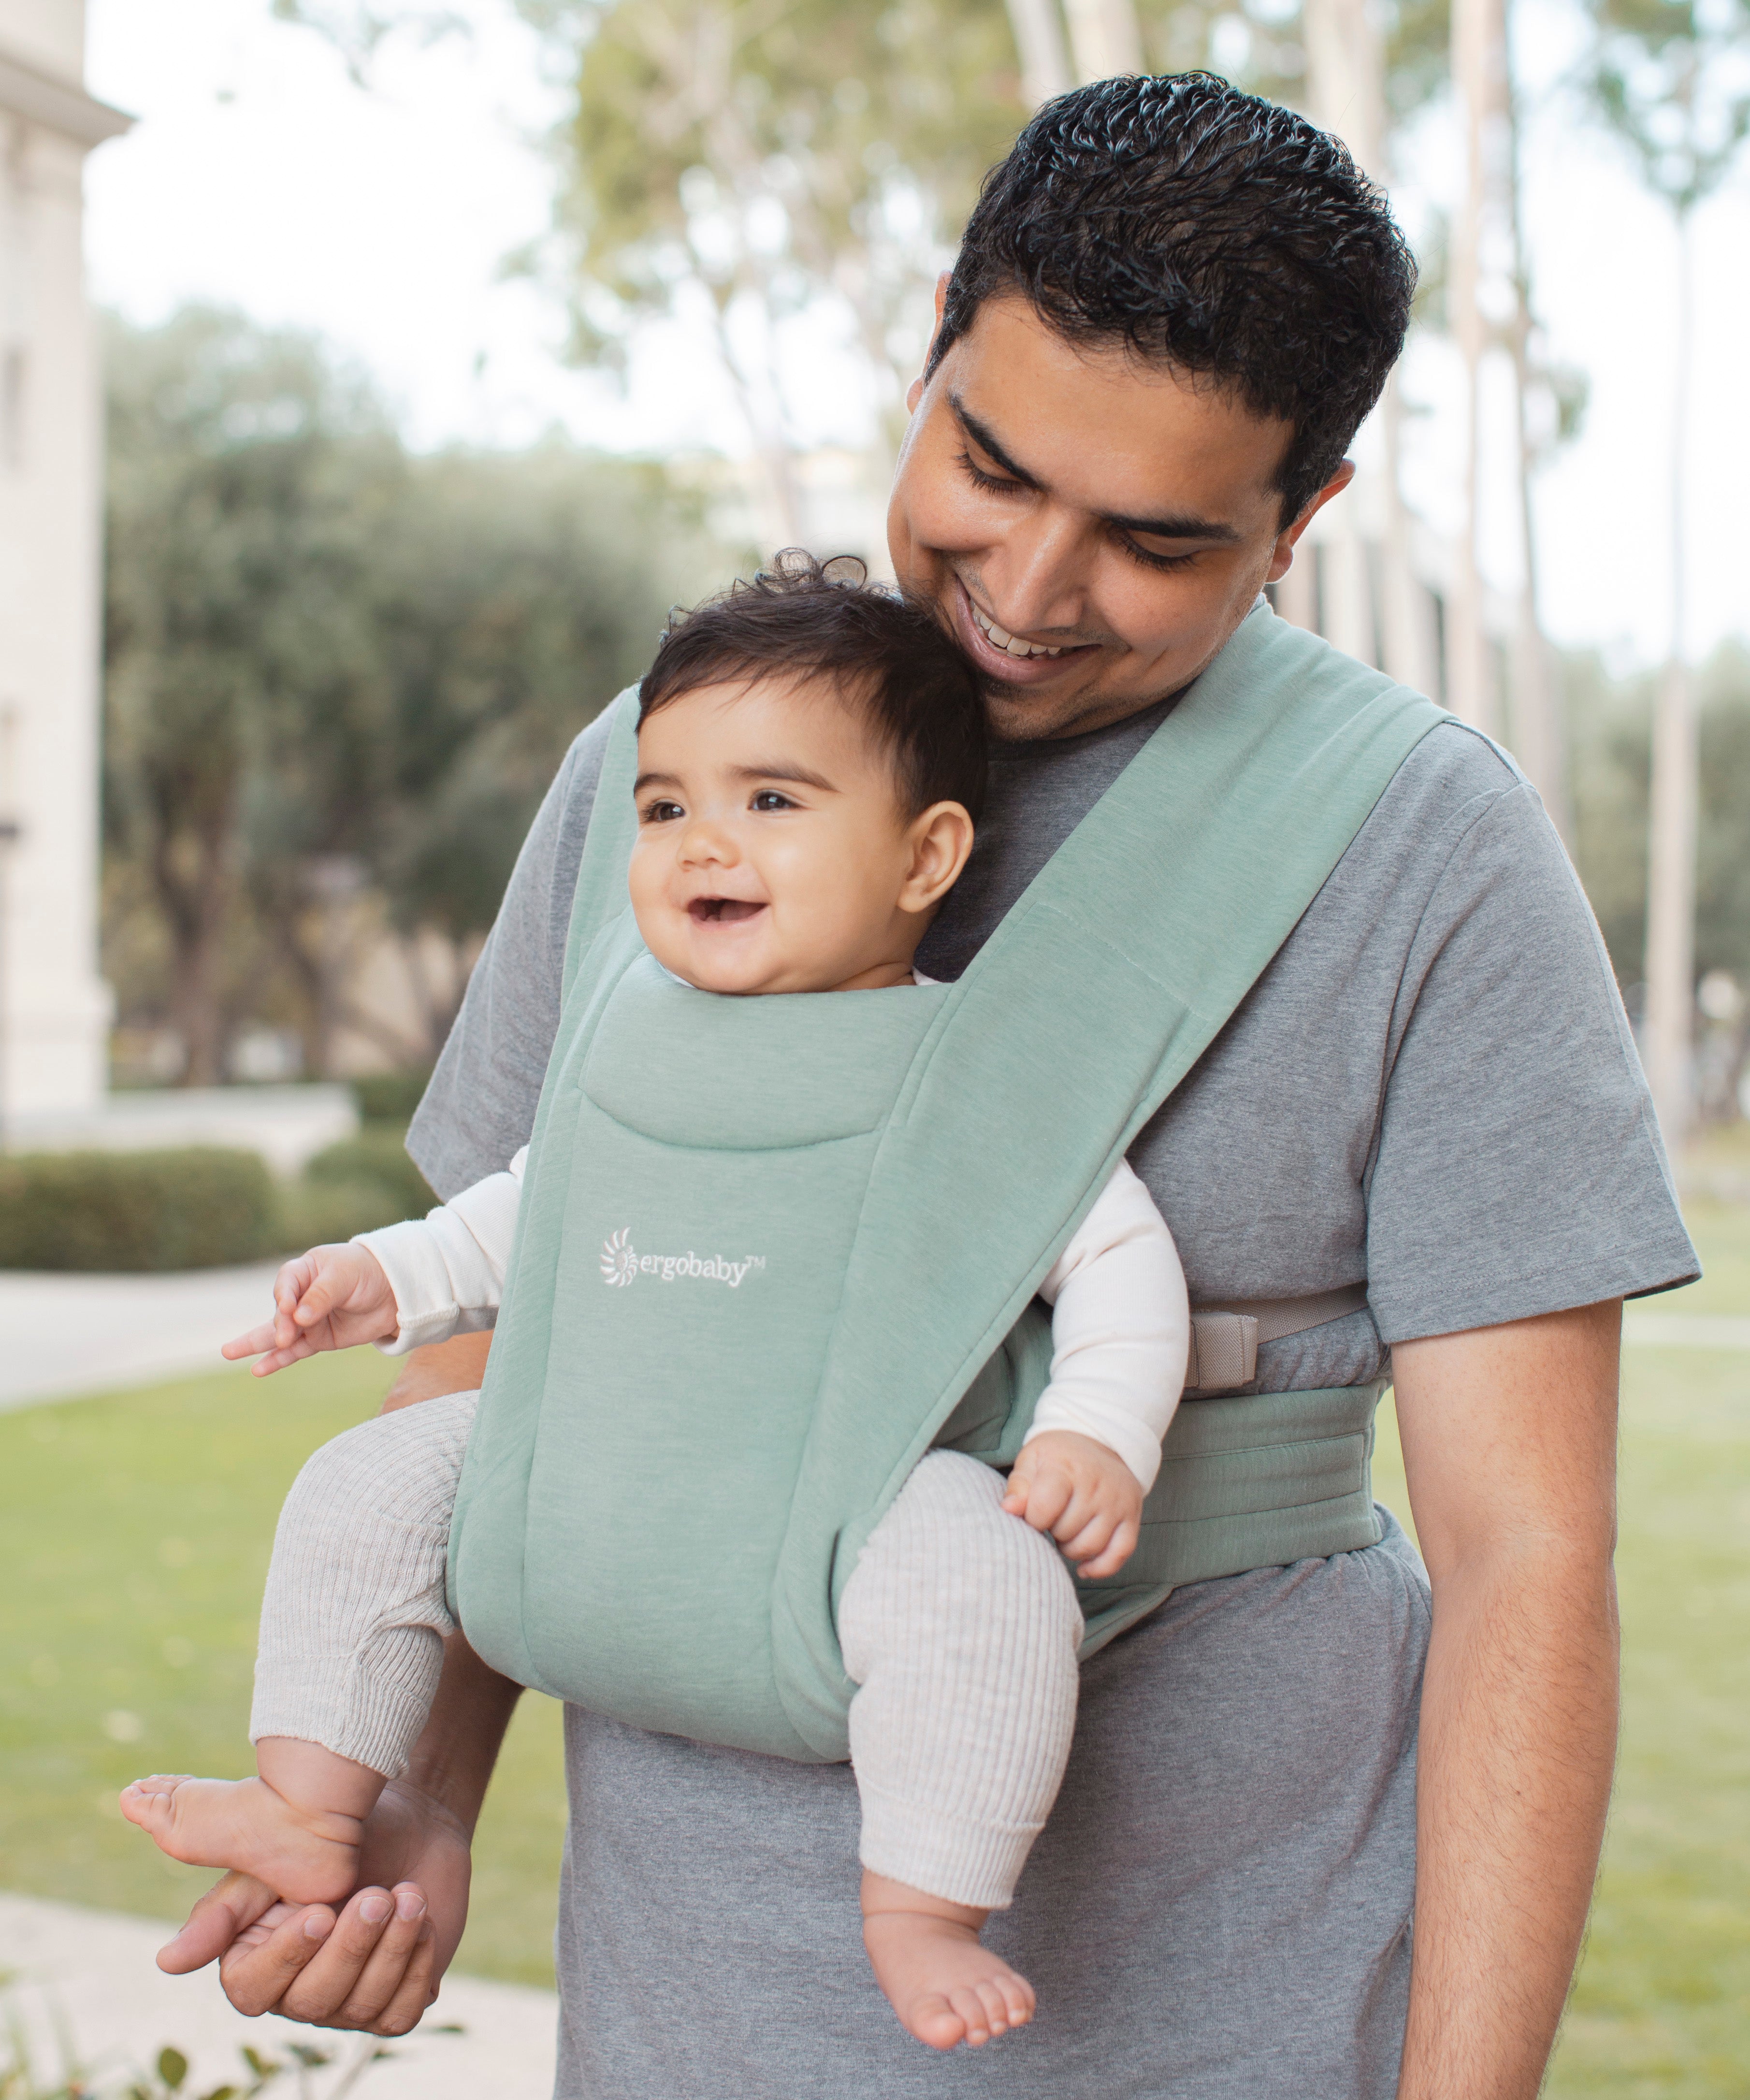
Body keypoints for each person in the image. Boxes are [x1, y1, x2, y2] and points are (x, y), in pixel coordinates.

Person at [158, 74, 1696, 2099]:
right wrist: (422, 1808)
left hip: (1227, 1992)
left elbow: (1527, 1559)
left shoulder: (1419, 844)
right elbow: (511, 1366)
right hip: (690, 1996)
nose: (1033, 588)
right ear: (934, 347)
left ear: (1300, 521)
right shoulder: (677, 764)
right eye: (990, 461)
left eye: (1155, 540)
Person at [122, 564, 1190, 2053]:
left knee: (985, 1580)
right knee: (364, 1485)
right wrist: (390, 1275)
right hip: (589, 1469)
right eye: (665, 804)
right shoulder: (634, 1033)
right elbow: (535, 1201)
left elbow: (1121, 1256)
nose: (705, 842)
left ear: (926, 853)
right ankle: (311, 1803)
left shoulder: (966, 1067)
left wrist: (1097, 1430)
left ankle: (926, 1901)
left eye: (771, 801)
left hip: (842, 1507)